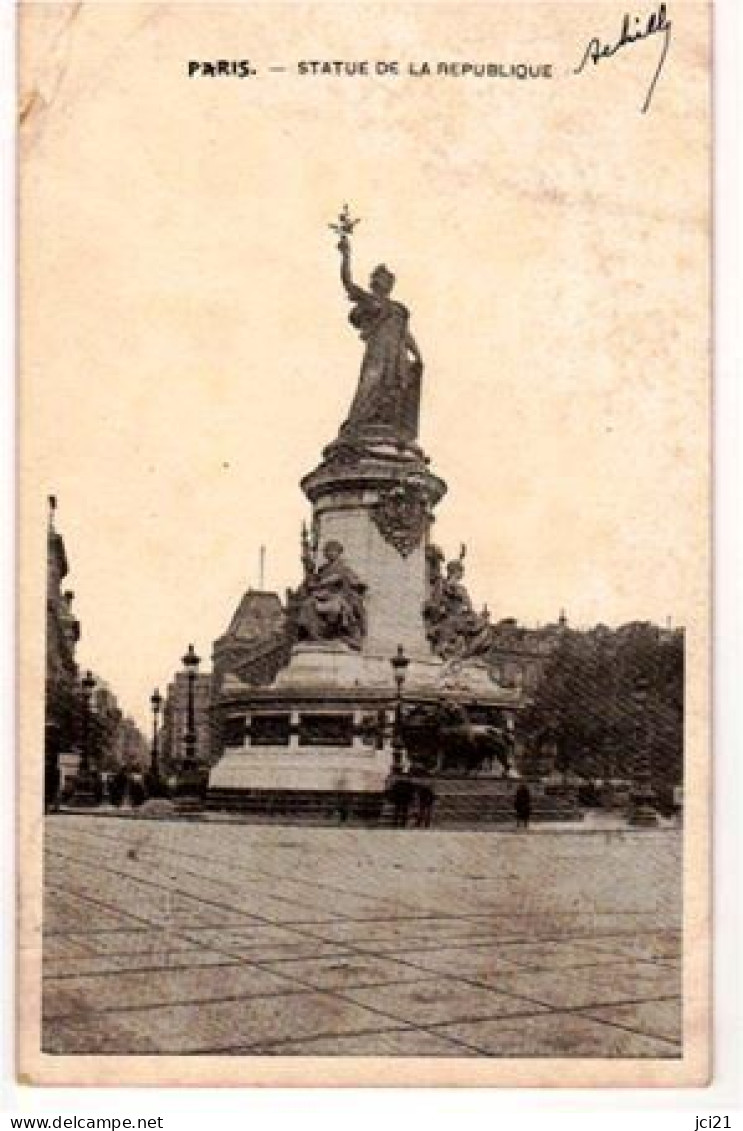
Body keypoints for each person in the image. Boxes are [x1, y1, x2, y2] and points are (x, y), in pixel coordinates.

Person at [337, 233, 423, 444]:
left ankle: (386, 427)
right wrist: (345, 254)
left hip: (396, 356)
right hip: (377, 353)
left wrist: (418, 354)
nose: (381, 281)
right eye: (377, 277)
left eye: (385, 278)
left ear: (390, 283)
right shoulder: (370, 301)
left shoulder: (398, 309)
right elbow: (347, 283)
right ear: (373, 282)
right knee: (370, 383)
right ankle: (356, 426)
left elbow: (405, 334)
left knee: (395, 391)